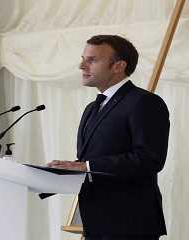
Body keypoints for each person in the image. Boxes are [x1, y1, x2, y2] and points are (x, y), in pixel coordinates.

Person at [47, 35, 169, 240]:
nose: (81, 66)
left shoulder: (145, 102)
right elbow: (91, 161)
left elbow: (149, 159)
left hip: (131, 224)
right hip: (95, 222)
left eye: (91, 60)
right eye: (83, 58)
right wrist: (53, 174)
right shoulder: (91, 108)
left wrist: (86, 166)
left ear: (118, 66)